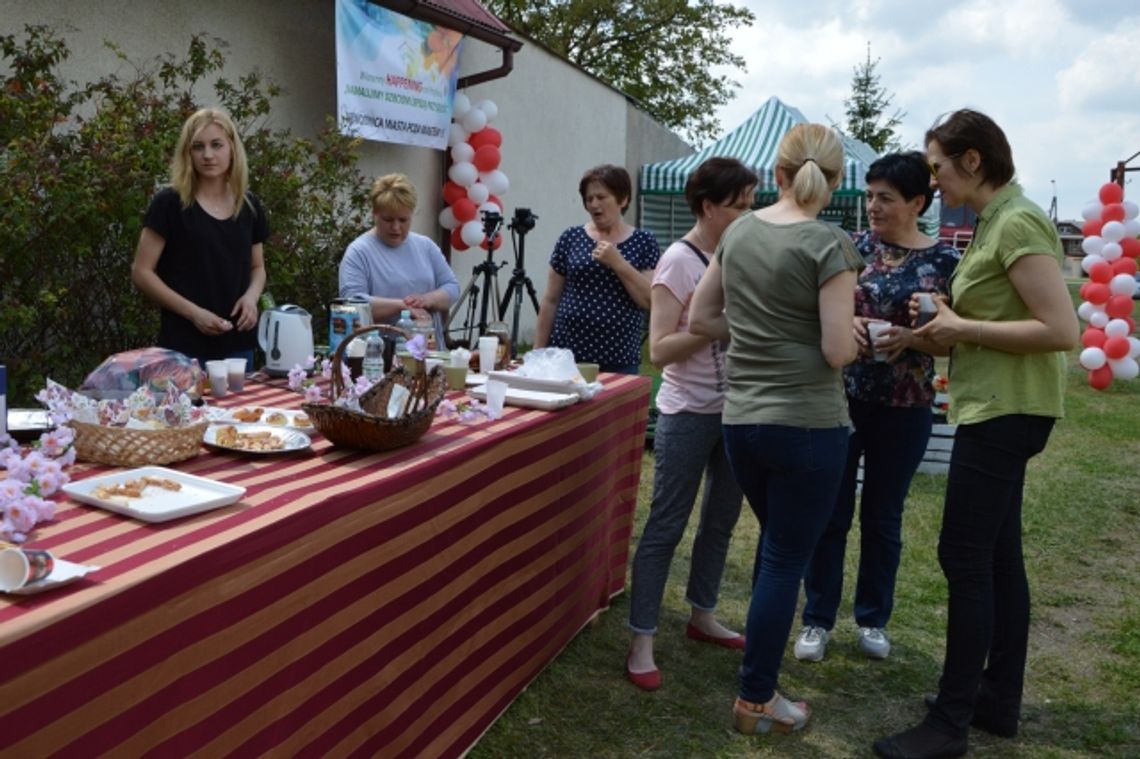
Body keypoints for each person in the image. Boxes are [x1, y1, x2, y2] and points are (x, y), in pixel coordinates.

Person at [872, 110, 1079, 759]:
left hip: (1007, 411)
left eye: (936, 165)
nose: (930, 179)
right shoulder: (994, 219)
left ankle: (950, 722)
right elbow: (992, 313)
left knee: (963, 556)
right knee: (995, 557)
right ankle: (996, 700)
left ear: (970, 159)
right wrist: (937, 327)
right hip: (996, 404)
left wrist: (962, 330)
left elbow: (1061, 329)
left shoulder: (1016, 221)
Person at [689, 123, 862, 735]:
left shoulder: (738, 231)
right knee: (786, 557)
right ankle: (756, 697)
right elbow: (838, 350)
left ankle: (760, 688)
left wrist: (758, 333)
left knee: (775, 551)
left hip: (743, 421)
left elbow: (703, 315)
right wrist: (851, 336)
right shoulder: (832, 243)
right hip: (808, 425)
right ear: (837, 183)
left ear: (778, 174)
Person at [796, 153, 961, 663]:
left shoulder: (944, 263)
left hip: (905, 406)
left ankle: (872, 618)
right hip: (839, 402)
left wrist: (912, 337)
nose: (872, 206)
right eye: (869, 195)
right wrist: (848, 329)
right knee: (829, 514)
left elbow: (953, 343)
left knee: (883, 517)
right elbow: (818, 313)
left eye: (885, 198)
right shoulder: (850, 248)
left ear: (917, 203)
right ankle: (817, 620)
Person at [626, 158, 758, 691]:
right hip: (686, 413)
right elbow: (659, 350)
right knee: (666, 525)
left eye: (753, 203)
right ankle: (641, 639)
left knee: (721, 521)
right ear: (708, 207)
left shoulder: (738, 254)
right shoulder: (679, 261)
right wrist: (720, 325)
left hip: (736, 412)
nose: (750, 213)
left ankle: (702, 614)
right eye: (740, 205)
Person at [132, 107, 268, 369]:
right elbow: (141, 272)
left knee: (241, 411)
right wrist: (194, 314)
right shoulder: (170, 203)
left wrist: (251, 298)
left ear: (232, 148)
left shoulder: (249, 205)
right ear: (188, 153)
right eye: (198, 147)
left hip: (239, 348)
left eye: (216, 145)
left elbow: (257, 267)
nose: (208, 155)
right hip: (183, 348)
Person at [534, 164, 660, 374]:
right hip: (567, 355)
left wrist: (618, 263)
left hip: (618, 357)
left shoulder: (644, 241)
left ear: (623, 199)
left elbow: (650, 300)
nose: (594, 204)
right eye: (589, 199)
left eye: (601, 197)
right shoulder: (571, 238)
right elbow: (551, 299)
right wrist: (538, 351)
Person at [339, 173, 459, 349]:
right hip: (381, 357)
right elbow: (353, 305)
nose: (396, 227)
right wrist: (402, 306)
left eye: (403, 220)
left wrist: (427, 299)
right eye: (388, 220)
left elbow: (452, 287)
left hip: (430, 353)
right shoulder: (359, 252)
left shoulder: (425, 246)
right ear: (374, 214)